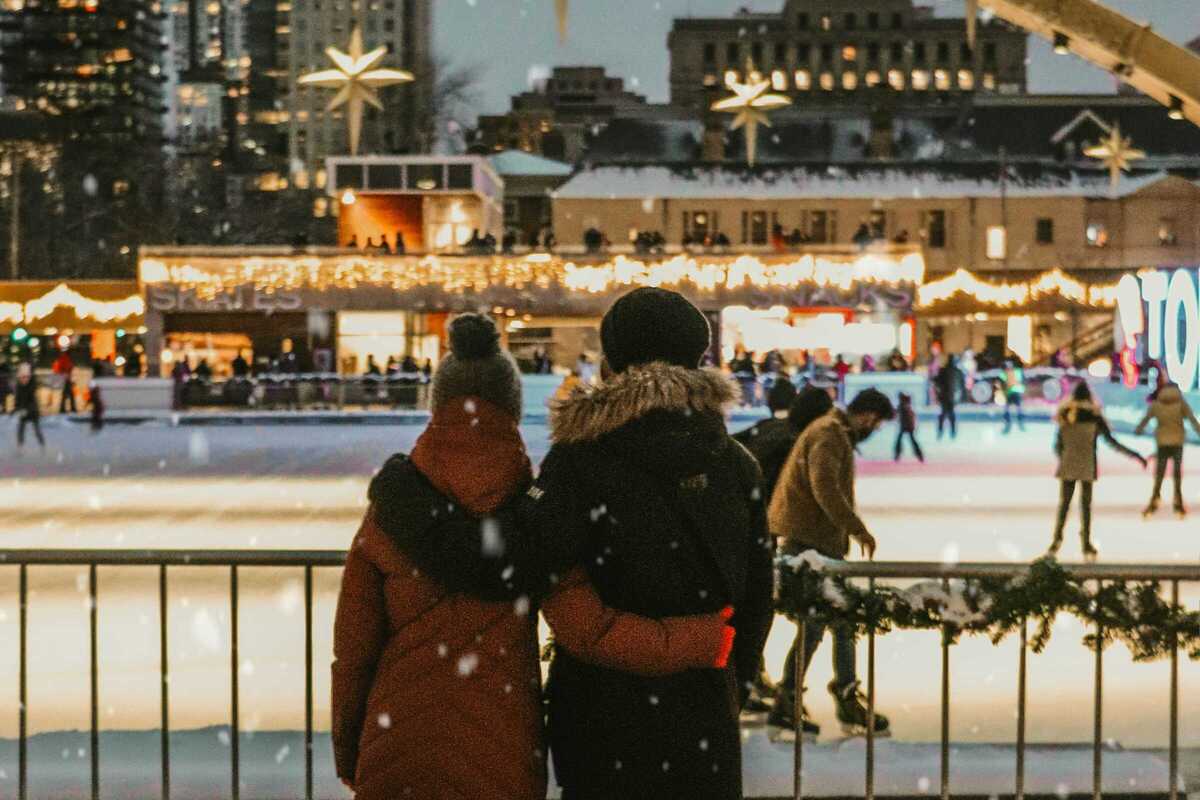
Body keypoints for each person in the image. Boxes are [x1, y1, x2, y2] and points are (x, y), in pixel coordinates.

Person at [332, 313, 735, 800]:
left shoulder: (389, 514)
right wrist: (701, 639)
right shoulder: (534, 515)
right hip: (499, 741)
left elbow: (353, 656)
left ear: (437, 405)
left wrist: (352, 750)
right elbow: (593, 631)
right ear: (513, 411)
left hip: (396, 734)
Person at [767, 388, 897, 739]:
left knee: (839, 620)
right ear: (868, 416)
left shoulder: (830, 430)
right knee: (818, 622)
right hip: (810, 546)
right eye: (877, 423)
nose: (874, 429)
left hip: (816, 543)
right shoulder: (829, 433)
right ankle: (792, 700)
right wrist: (858, 529)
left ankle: (835, 695)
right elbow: (823, 486)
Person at [733, 383, 834, 712]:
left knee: (748, 608)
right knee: (754, 608)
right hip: (750, 530)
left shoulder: (771, 428)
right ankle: (746, 682)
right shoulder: (792, 441)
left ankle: (750, 679)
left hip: (742, 526)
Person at [1051, 382, 1146, 560]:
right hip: (1087, 465)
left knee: (1064, 504)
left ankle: (1056, 540)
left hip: (1068, 465)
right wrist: (1136, 455)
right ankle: (1086, 543)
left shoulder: (1064, 414)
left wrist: (1064, 457)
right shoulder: (1094, 416)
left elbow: (1057, 445)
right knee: (1085, 507)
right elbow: (1113, 442)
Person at [1135, 381, 1200, 518]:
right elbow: (1192, 419)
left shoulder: (1157, 404)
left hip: (1162, 442)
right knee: (1177, 475)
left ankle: (1155, 499)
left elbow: (1146, 419)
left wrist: (1139, 429)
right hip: (1177, 442)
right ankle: (1178, 504)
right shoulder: (1180, 403)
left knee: (1159, 474)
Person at [12, 364, 45, 449]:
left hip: (33, 412)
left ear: (29, 377)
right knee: (21, 429)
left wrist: (26, 409)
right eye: (22, 377)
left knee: (36, 429)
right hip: (23, 412)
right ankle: (20, 447)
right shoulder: (19, 387)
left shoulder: (32, 386)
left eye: (26, 377)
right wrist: (15, 409)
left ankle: (42, 446)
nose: (24, 379)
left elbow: (31, 401)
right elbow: (17, 399)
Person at [935, 354, 964, 440]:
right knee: (950, 414)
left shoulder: (944, 370)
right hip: (951, 396)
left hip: (945, 396)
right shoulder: (957, 371)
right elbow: (961, 385)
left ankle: (942, 432)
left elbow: (937, 381)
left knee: (944, 414)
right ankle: (952, 432)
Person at [894, 392, 924, 462]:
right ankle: (919, 455)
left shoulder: (903, 406)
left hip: (906, 426)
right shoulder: (907, 406)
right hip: (908, 426)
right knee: (910, 440)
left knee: (902, 440)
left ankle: (897, 454)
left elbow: (895, 413)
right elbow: (912, 417)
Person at [1002, 359, 1026, 434]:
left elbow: (1003, 383)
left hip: (1012, 392)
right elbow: (1023, 380)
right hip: (1016, 391)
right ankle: (1019, 421)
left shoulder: (1005, 373)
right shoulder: (1018, 371)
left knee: (1008, 407)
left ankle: (1009, 422)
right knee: (1017, 407)